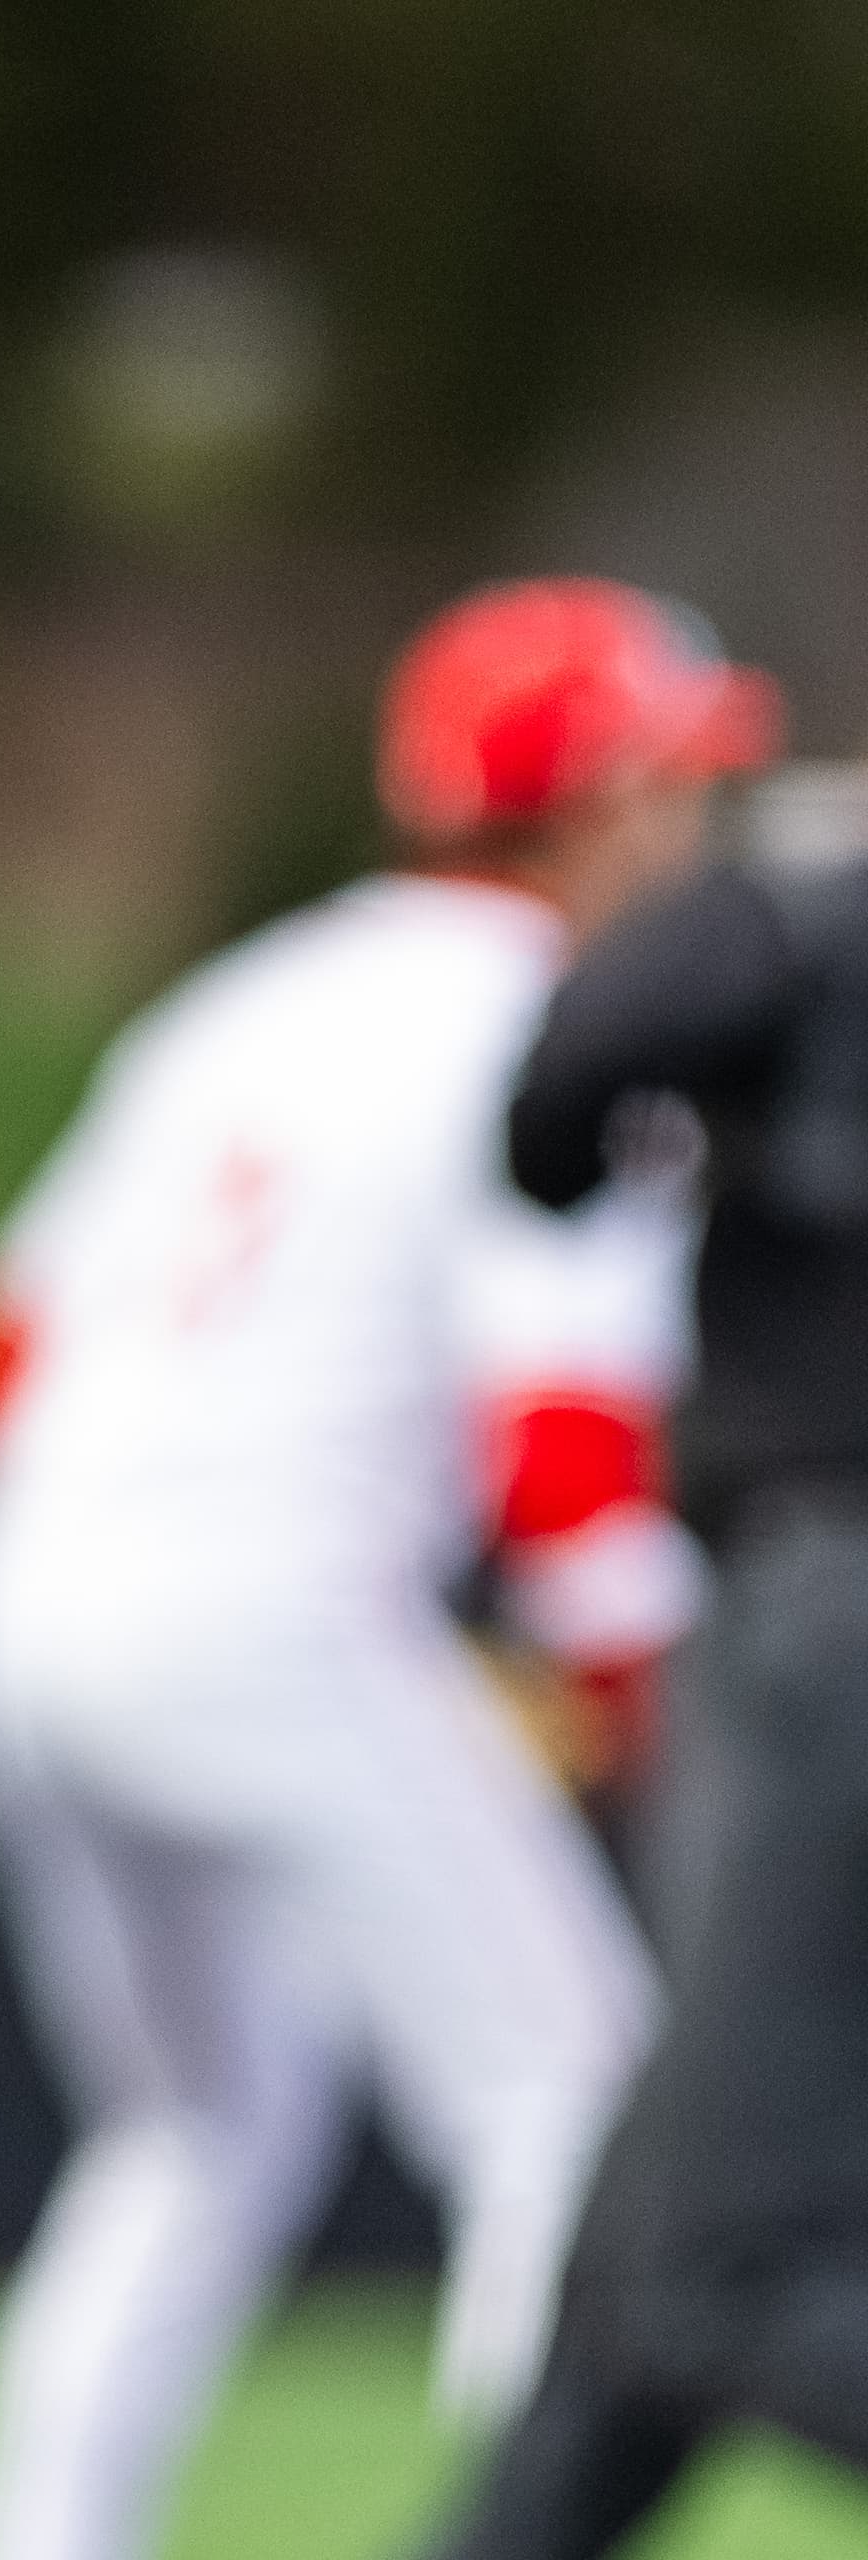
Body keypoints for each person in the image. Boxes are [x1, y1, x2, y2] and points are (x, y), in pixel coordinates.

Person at [0, 580, 772, 2560]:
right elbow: (565, 1433)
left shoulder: (250, 995)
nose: (700, 837)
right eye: (683, 787)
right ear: (609, 804)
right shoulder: (564, 1023)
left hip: (19, 1609)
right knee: (565, 2106)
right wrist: (655, 1699)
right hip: (268, 1612)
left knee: (192, 2133)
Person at [412, 770, 868, 2556]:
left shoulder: (809, 884)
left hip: (834, 1613)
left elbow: (565, 1092)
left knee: (707, 2269)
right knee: (639, 2285)